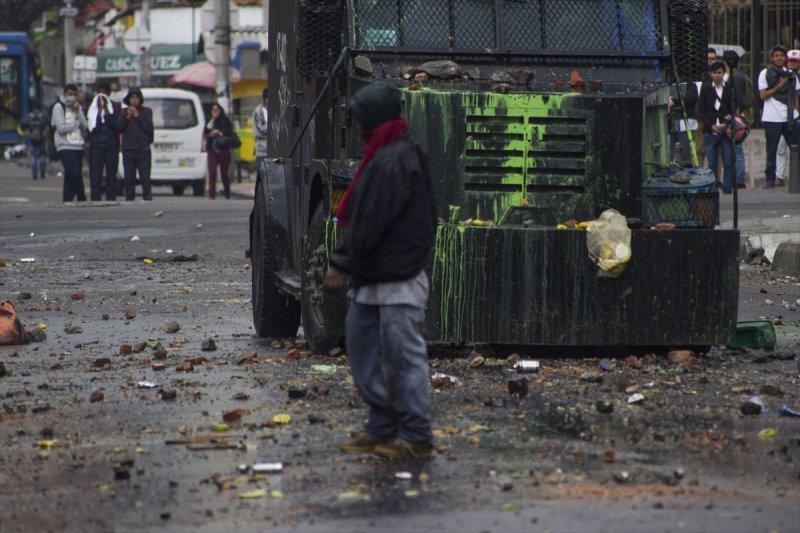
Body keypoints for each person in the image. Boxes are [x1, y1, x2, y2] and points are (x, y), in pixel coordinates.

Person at [323, 82, 437, 461]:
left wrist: (340, 262)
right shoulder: (387, 153)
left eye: (360, 119)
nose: (356, 127)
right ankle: (383, 426)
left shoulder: (392, 160)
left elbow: (370, 221)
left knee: (401, 358)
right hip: (376, 277)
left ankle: (416, 435)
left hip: (397, 278)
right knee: (363, 351)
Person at [758, 45, 800, 189]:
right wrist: (780, 85)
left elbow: (796, 97)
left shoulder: (791, 75)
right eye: (776, 55)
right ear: (772, 58)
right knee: (772, 150)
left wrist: (797, 115)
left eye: (781, 55)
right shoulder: (765, 73)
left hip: (790, 118)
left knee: (795, 149)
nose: (779, 58)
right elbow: (763, 95)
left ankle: (796, 180)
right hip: (772, 118)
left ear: (785, 58)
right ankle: (770, 179)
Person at [699, 61, 735, 193]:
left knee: (728, 162)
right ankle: (713, 187)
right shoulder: (706, 88)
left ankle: (727, 188)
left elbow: (732, 109)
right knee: (712, 162)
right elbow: (701, 110)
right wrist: (711, 125)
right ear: (710, 74)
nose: (717, 75)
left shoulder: (729, 88)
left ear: (723, 73)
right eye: (714, 73)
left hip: (725, 131)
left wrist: (725, 124)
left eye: (720, 72)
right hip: (710, 131)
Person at [51, 83, 88, 202]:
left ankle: (67, 199)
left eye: (74, 95)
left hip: (77, 145)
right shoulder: (58, 107)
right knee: (75, 173)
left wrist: (78, 111)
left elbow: (85, 126)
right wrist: (75, 124)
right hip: (64, 146)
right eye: (69, 94)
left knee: (70, 176)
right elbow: (61, 128)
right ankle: (81, 196)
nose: (71, 97)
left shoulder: (77, 107)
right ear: (64, 94)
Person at [722, 50, 753, 189]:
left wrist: (735, 117)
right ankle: (737, 177)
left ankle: (739, 178)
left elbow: (739, 99)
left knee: (737, 148)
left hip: (734, 117)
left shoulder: (735, 77)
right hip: (735, 116)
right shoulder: (737, 76)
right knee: (735, 148)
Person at [116, 87, 154, 201]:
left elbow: (149, 129)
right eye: (132, 98)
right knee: (129, 179)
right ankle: (129, 199)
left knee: (145, 178)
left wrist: (138, 116)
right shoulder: (123, 112)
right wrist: (127, 117)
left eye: (137, 98)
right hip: (128, 149)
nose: (134, 100)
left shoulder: (147, 111)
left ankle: (147, 198)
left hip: (143, 149)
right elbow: (118, 129)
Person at [87, 82, 120, 201]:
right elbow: (93, 127)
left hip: (111, 145)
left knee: (111, 174)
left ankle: (111, 197)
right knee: (96, 174)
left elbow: (116, 124)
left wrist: (105, 109)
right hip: (96, 145)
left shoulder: (115, 107)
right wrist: (99, 110)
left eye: (104, 93)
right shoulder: (92, 108)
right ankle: (95, 197)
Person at [776, 49, 800, 185]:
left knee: (795, 149)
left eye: (795, 61)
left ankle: (795, 177)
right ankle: (780, 177)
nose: (792, 63)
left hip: (795, 117)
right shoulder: (780, 75)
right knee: (780, 148)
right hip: (782, 116)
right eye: (790, 60)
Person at [204, 102, 235, 199]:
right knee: (212, 173)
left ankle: (227, 193)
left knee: (224, 173)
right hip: (212, 150)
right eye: (213, 110)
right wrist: (212, 120)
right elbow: (206, 131)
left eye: (217, 110)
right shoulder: (210, 121)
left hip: (223, 150)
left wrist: (219, 133)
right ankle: (211, 195)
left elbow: (229, 132)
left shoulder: (225, 120)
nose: (215, 112)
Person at [20, 100, 48, 180]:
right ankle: (42, 172)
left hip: (31, 137)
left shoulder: (29, 115)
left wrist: (26, 131)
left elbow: (22, 124)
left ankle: (34, 173)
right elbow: (48, 123)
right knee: (42, 155)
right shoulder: (43, 115)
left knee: (33, 155)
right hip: (41, 138)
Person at [252, 88, 269, 165]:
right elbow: (258, 131)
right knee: (262, 174)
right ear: (266, 99)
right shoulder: (258, 112)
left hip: (276, 151)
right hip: (262, 150)